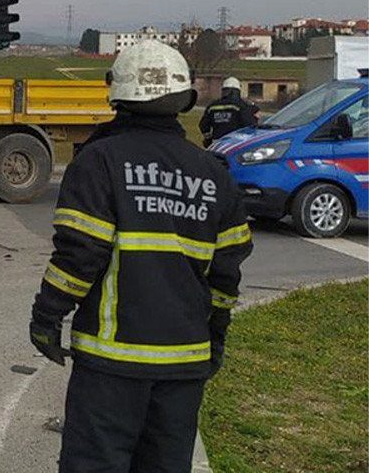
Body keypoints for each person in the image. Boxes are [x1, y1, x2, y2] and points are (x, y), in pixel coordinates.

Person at [29, 40, 253, 473]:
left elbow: (80, 254)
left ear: (118, 95)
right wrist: (217, 335)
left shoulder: (100, 161)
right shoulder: (214, 175)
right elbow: (226, 274)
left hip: (112, 363)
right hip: (184, 363)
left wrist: (47, 317)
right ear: (184, 98)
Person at [199, 77, 259, 146]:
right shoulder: (241, 105)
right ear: (238, 91)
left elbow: (203, 125)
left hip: (216, 143)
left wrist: (208, 139)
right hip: (235, 143)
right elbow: (249, 123)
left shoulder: (212, 106)